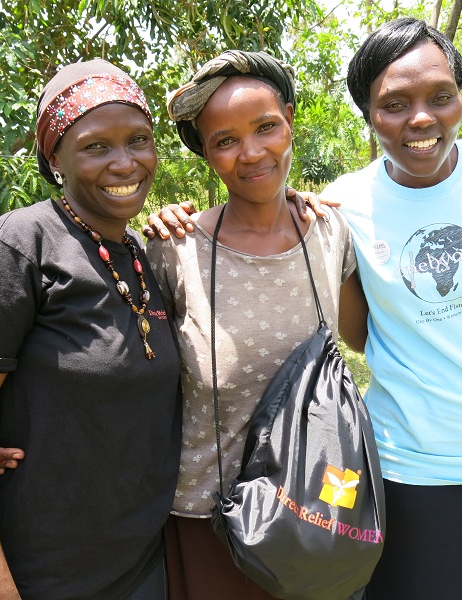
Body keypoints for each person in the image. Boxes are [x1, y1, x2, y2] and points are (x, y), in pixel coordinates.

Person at [149, 18, 462, 600]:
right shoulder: (344, 205)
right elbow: (355, 331)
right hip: (395, 474)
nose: (422, 118)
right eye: (394, 103)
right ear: (367, 114)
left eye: (441, 96)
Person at [0, 59, 182, 599]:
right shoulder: (15, 248)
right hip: (42, 577)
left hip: (140, 565)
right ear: (53, 158)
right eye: (96, 146)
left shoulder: (139, 254)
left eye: (139, 139)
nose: (124, 161)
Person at [147, 50, 366, 599]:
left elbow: (364, 338)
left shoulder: (330, 231)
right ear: (206, 154)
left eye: (266, 127)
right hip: (210, 521)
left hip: (318, 515)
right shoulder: (174, 249)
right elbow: (118, 362)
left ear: (289, 120)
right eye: (225, 140)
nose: (251, 153)